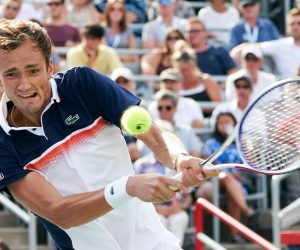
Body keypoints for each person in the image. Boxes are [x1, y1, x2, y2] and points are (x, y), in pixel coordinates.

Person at [0, 19, 218, 250]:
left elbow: (154, 136)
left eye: (33, 70)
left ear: (50, 67)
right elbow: (59, 212)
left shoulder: (83, 84)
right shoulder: (2, 143)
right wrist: (127, 187)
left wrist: (179, 159)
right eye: (12, 74)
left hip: (154, 243)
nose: (24, 85)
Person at [197, 112, 254, 243]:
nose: (224, 125)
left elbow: (252, 162)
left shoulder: (242, 142)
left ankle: (234, 235)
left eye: (227, 121)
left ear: (234, 123)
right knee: (226, 175)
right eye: (221, 122)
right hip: (215, 179)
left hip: (237, 183)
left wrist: (239, 140)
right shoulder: (211, 143)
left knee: (232, 188)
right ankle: (247, 211)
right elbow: (204, 163)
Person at [230, 8, 300, 77]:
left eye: (299, 23)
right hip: (287, 87)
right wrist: (236, 51)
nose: (295, 27)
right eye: (292, 24)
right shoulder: (281, 45)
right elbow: (255, 46)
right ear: (287, 27)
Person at [172, 40, 223, 117]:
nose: (186, 73)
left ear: (194, 67)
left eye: (189, 69)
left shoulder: (206, 80)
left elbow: (218, 105)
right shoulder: (174, 83)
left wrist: (193, 108)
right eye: (182, 70)